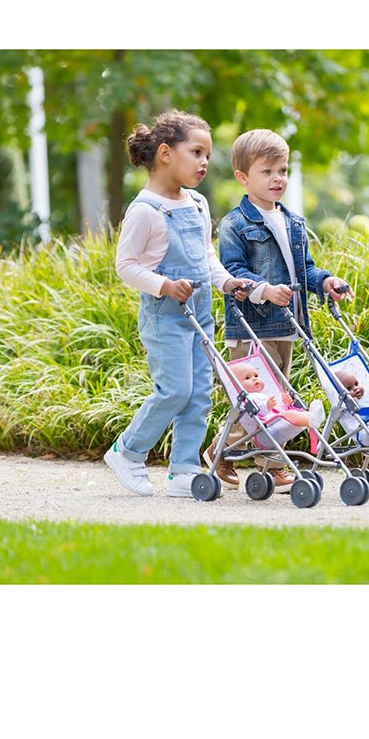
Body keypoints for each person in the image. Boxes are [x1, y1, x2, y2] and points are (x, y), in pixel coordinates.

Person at [104, 110, 252, 497]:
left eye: (207, 155)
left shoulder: (197, 203)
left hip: (200, 315)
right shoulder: (145, 210)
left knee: (199, 393)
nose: (204, 162)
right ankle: (127, 451)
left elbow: (205, 255)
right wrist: (165, 285)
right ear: (166, 153)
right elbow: (126, 265)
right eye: (196, 152)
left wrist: (226, 281)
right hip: (165, 317)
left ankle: (184, 471)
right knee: (175, 390)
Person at [209, 128, 353, 492]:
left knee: (276, 400)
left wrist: (326, 281)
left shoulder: (293, 223)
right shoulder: (235, 224)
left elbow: (305, 270)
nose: (278, 179)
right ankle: (226, 452)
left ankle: (267, 463)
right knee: (253, 399)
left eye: (283, 171)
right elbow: (233, 271)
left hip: (288, 324)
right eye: (267, 171)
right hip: (252, 326)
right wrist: (264, 290)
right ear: (243, 177)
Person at [230, 362, 325, 433]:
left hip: (276, 421)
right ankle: (311, 419)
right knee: (291, 414)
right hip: (268, 427)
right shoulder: (248, 398)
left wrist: (285, 404)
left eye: (256, 375)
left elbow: (276, 409)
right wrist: (267, 406)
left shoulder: (263, 395)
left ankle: (311, 415)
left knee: (293, 413)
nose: (254, 378)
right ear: (236, 385)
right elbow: (258, 412)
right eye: (247, 378)